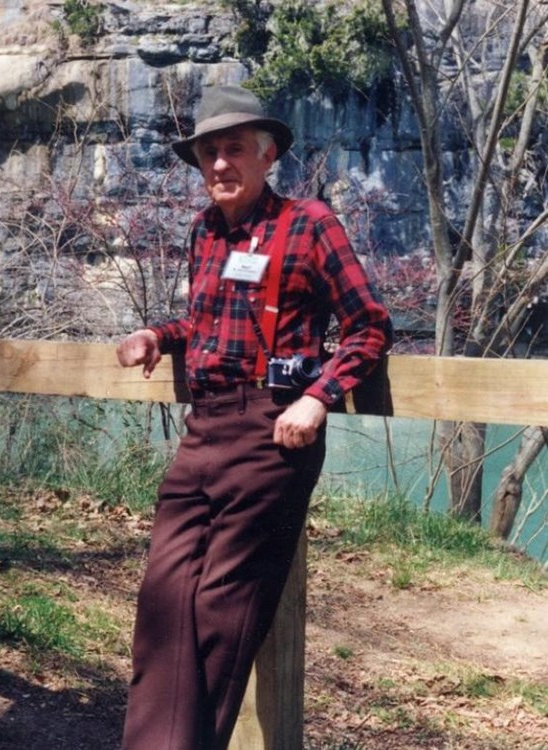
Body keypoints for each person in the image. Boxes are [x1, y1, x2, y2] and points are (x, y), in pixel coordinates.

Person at [117, 84, 392, 750]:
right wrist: (160, 335)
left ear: (266, 156)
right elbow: (206, 320)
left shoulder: (310, 223)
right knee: (163, 595)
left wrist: (317, 396)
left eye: (232, 149)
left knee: (221, 607)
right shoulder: (206, 232)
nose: (218, 165)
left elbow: (369, 327)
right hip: (206, 428)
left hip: (273, 432)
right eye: (208, 152)